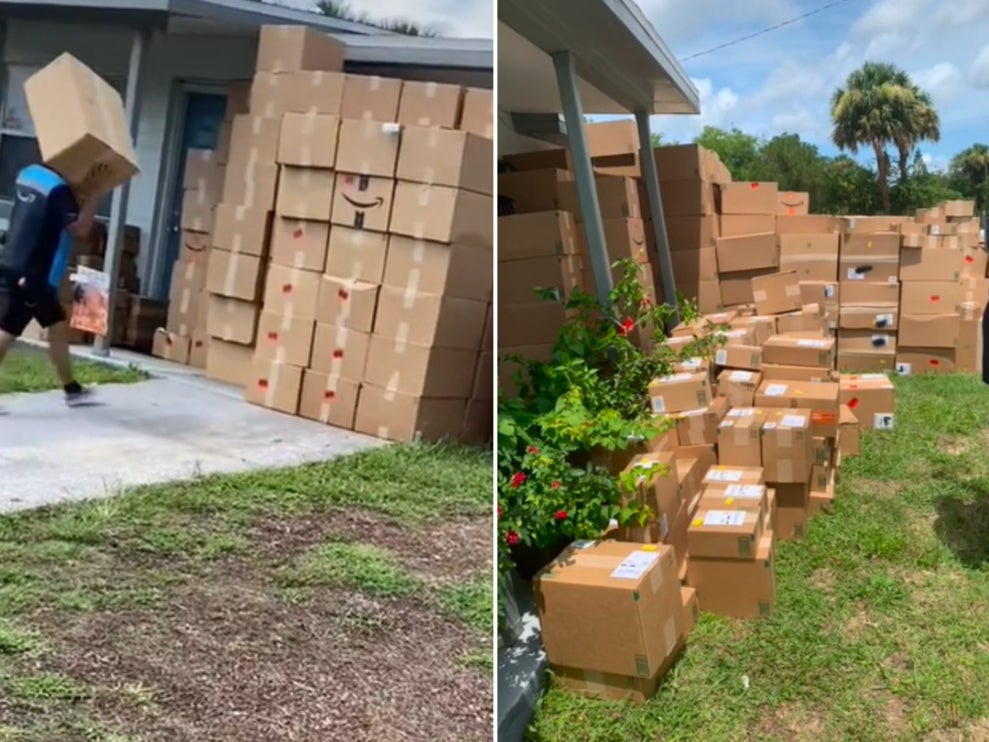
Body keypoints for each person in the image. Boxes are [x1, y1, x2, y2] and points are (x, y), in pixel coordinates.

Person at [0, 163, 99, 406]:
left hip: (13, 261)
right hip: (36, 274)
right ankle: (71, 389)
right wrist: (95, 194)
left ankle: (71, 388)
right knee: (8, 331)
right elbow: (81, 229)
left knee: (56, 327)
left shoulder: (27, 173)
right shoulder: (58, 190)